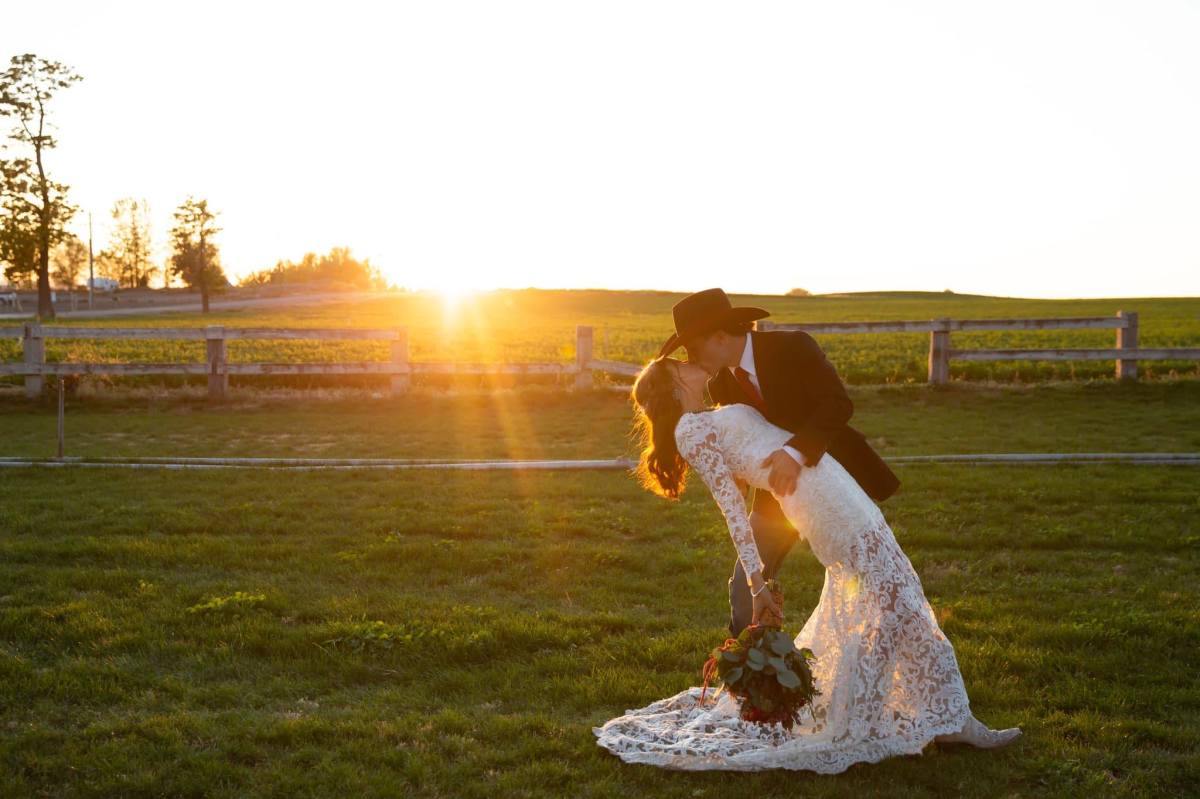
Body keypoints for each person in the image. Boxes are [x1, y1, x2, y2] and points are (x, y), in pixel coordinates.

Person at [592, 290, 1020, 772]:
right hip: (806, 500)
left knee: (892, 594)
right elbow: (732, 500)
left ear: (719, 336)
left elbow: (835, 406)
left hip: (827, 476)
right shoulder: (699, 418)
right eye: (682, 359)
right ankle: (910, 718)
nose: (691, 359)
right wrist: (757, 578)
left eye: (693, 347)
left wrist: (792, 455)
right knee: (894, 593)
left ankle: (914, 711)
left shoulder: (788, 350)